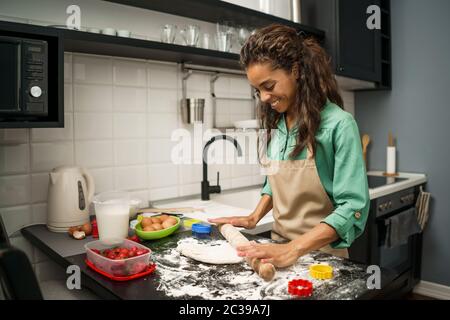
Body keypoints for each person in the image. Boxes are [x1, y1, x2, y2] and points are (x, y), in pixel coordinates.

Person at [208, 24, 370, 268]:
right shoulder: (278, 123)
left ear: (295, 71)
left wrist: (293, 249)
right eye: (257, 90)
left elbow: (353, 207)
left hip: (323, 259)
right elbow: (275, 182)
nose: (263, 98)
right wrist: (254, 217)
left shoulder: (339, 124)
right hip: (276, 253)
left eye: (269, 86)